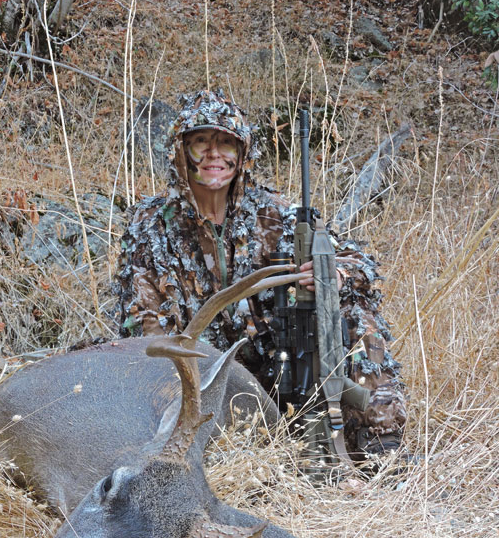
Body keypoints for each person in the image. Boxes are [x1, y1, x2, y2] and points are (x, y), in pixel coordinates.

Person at [114, 89, 407, 460]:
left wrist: (333, 275)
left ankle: (382, 444)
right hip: (201, 379)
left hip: (278, 369)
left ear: (242, 154)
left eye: (226, 143)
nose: (214, 154)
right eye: (201, 142)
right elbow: (144, 324)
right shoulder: (150, 223)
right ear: (182, 151)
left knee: (352, 308)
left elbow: (359, 263)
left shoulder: (275, 212)